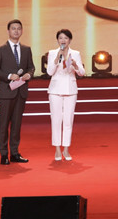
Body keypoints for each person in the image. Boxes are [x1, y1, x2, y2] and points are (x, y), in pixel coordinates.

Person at [0, 19, 35, 165]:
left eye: (19, 28)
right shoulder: (0, 49)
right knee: (4, 124)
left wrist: (29, 74)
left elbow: (31, 67)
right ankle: (4, 154)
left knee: (16, 125)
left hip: (20, 91)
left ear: (22, 31)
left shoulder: (26, 49)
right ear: (8, 31)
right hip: (6, 92)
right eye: (13, 28)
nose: (16, 31)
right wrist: (9, 76)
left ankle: (15, 153)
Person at [47, 28, 86, 161]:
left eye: (66, 38)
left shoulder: (75, 53)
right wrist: (57, 58)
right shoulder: (52, 53)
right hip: (55, 90)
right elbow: (49, 72)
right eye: (60, 38)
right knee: (56, 120)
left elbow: (82, 72)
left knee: (68, 120)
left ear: (70, 40)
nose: (63, 40)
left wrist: (75, 65)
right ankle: (57, 149)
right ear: (57, 40)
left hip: (70, 89)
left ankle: (66, 149)